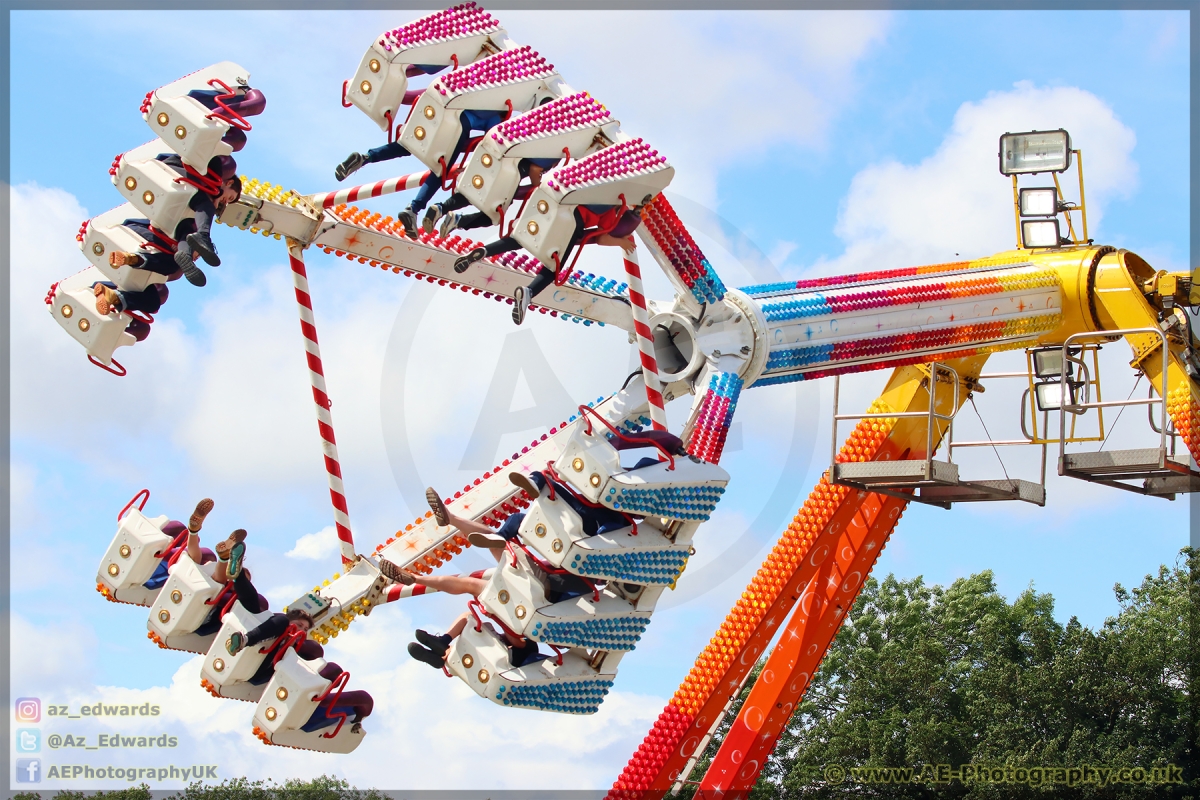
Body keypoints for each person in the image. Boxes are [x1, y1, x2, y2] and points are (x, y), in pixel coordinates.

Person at [453, 196, 650, 325]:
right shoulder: (610, 211)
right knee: (553, 265)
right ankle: (529, 292)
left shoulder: (590, 185)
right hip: (572, 224)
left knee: (519, 240)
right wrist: (620, 242)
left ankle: (485, 250)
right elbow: (600, 237)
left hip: (551, 209)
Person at [155, 153, 242, 286]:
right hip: (174, 172)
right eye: (229, 198)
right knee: (204, 203)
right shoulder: (217, 167)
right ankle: (203, 235)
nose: (224, 202)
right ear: (229, 182)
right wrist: (217, 195)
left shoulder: (208, 190)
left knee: (186, 227)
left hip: (174, 194)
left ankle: (185, 255)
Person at [422, 157, 560, 237]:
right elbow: (534, 169)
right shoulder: (557, 147)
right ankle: (458, 221)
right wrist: (538, 185)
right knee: (494, 216)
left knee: (472, 195)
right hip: (510, 176)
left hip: (496, 165)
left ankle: (441, 208)